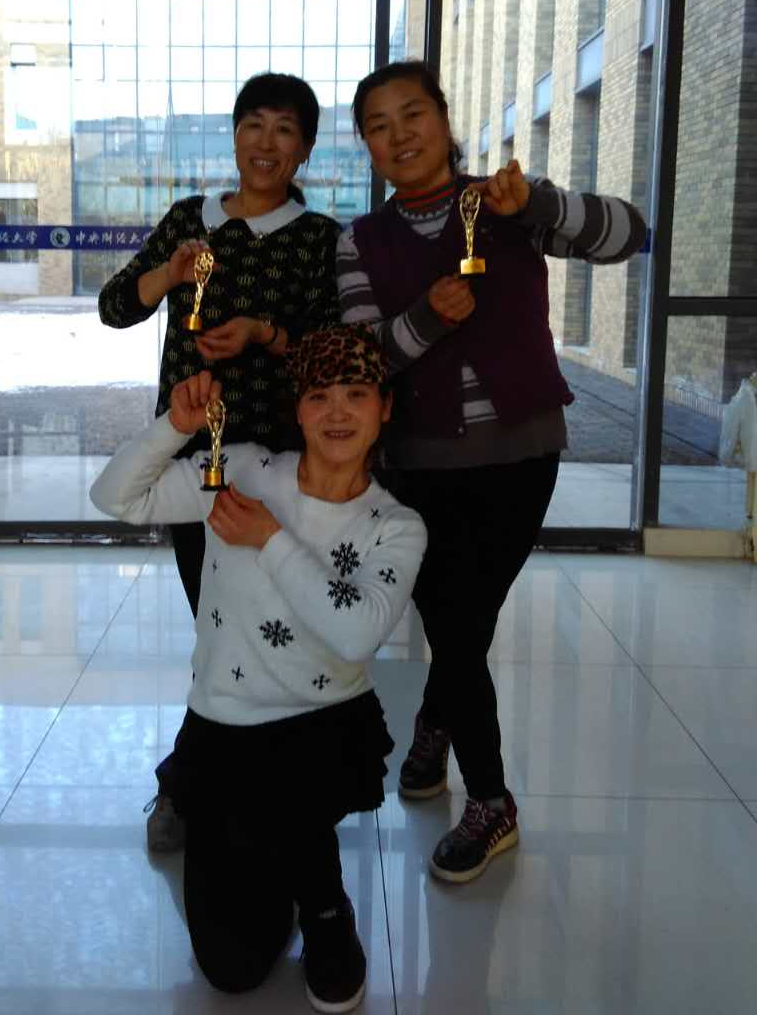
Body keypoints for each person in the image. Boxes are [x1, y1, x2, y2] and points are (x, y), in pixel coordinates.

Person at [340, 59, 647, 885]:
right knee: (459, 625)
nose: (399, 135)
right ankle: (451, 746)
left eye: (412, 114)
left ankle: (481, 788)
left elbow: (629, 233)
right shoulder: (359, 241)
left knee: (460, 623)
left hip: (520, 457)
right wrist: (425, 320)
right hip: (416, 467)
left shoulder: (508, 205)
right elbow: (363, 359)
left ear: (444, 120)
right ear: (367, 145)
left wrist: (541, 202)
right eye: (378, 126)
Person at [90, 325, 427, 1013]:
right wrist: (174, 427)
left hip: (318, 728)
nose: (337, 412)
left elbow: (355, 632)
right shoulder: (240, 469)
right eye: (319, 395)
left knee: (296, 815)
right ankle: (280, 863)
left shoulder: (396, 526)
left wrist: (268, 536)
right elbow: (114, 497)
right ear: (297, 408)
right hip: (224, 726)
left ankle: (325, 904)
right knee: (230, 969)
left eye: (356, 394)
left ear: (384, 407)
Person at [97, 73, 341, 851]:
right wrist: (169, 275)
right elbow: (113, 307)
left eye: (285, 129)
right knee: (214, 622)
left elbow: (334, 353)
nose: (266, 143)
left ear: (305, 148)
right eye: (253, 125)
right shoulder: (188, 221)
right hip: (191, 463)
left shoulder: (319, 237)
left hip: (282, 462)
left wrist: (265, 334)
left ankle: (234, 780)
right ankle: (198, 781)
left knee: (274, 622)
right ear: (234, 136)